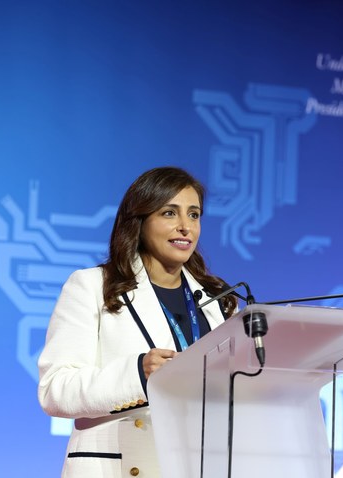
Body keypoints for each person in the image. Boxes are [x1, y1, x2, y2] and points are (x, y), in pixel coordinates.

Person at [38, 166, 238, 478]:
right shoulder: (92, 286)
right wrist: (137, 373)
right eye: (170, 213)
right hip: (117, 467)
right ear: (140, 221)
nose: (186, 226)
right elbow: (55, 390)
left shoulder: (220, 301)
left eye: (194, 214)